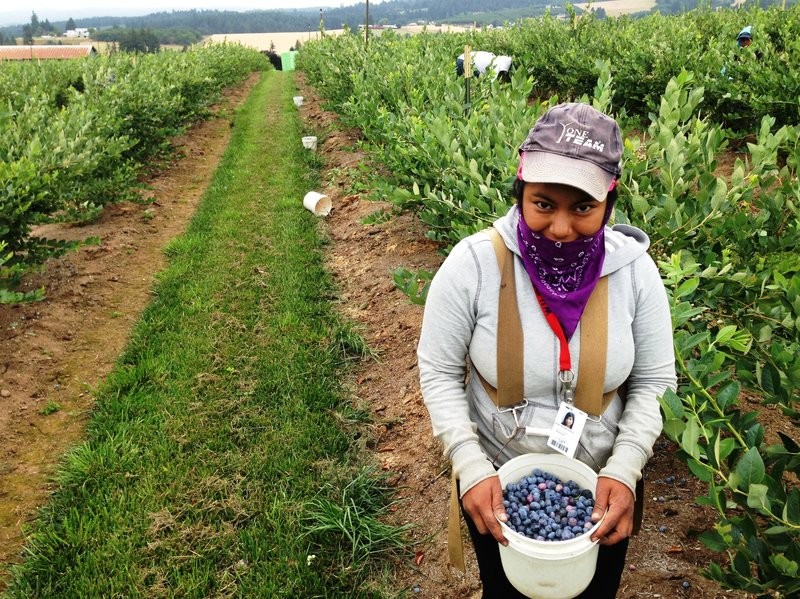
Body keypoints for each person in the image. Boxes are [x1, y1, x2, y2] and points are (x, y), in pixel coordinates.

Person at [417, 102, 677, 598]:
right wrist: (470, 468)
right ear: (520, 190)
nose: (560, 227)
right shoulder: (473, 265)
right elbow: (438, 371)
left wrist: (624, 469)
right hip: (498, 483)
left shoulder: (635, 273)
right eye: (543, 204)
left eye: (582, 207)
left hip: (599, 489)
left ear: (610, 202)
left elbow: (655, 383)